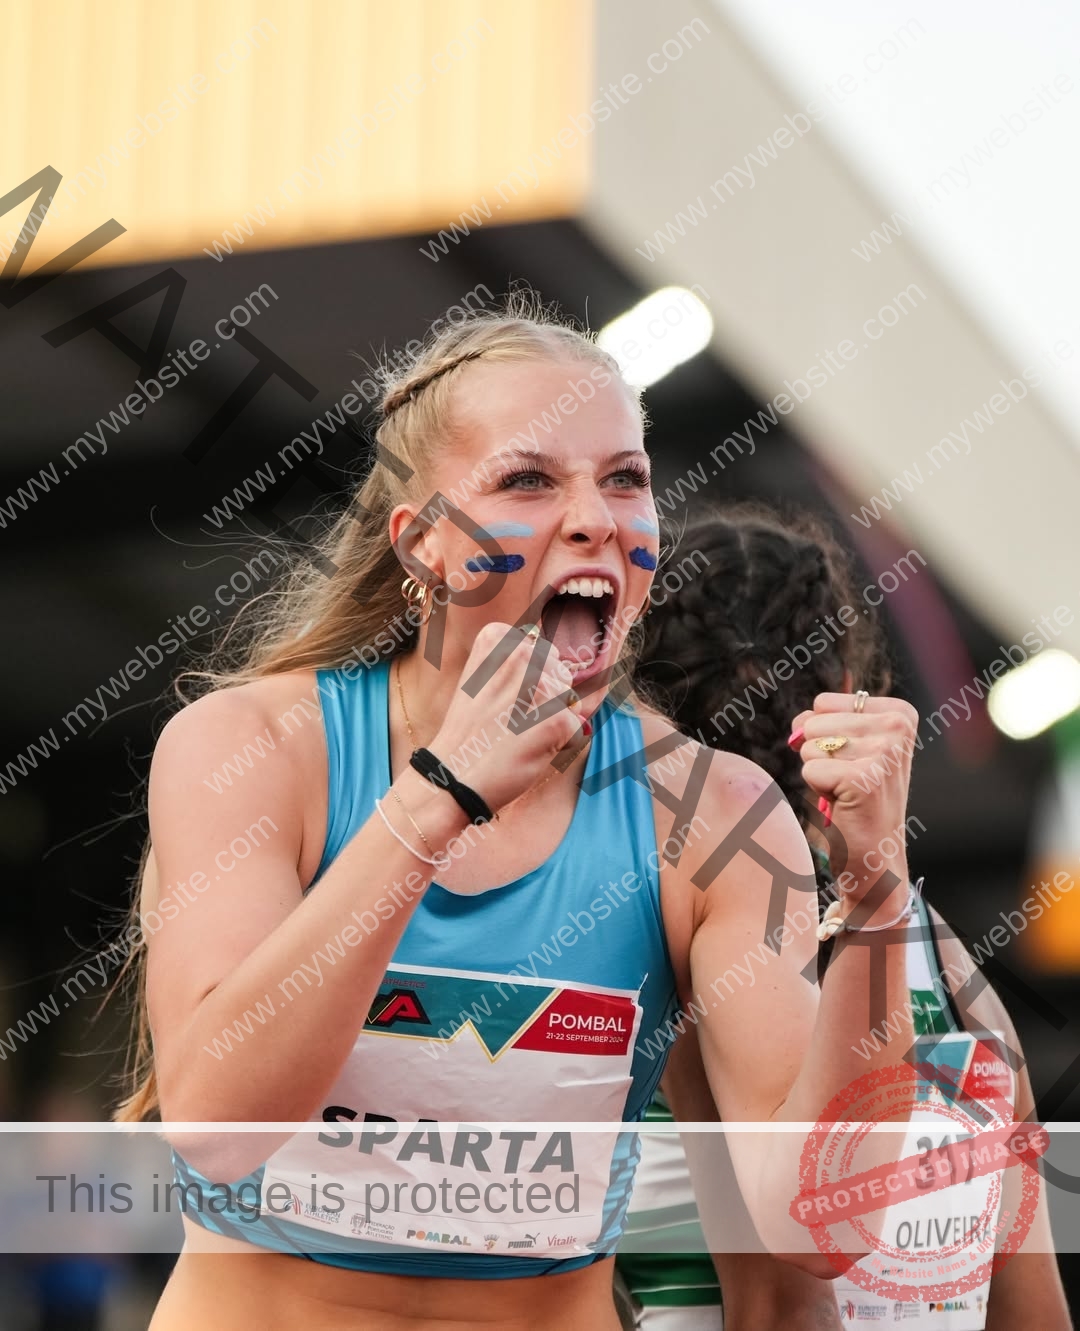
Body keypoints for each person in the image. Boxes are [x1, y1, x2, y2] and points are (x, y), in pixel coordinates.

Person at [115, 297, 924, 1331]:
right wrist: (436, 798)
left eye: (624, 479)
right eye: (528, 479)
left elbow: (818, 1229)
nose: (595, 518)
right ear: (422, 546)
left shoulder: (711, 812)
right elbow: (218, 1124)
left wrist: (875, 893)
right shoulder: (254, 746)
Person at [625, 502, 1070, 1331]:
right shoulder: (945, 963)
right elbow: (1035, 1313)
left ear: (640, 706)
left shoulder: (653, 952)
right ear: (840, 690)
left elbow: (787, 1303)